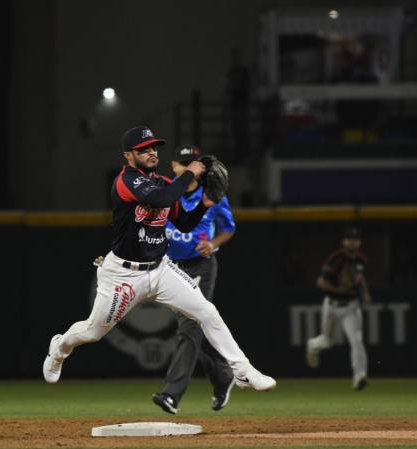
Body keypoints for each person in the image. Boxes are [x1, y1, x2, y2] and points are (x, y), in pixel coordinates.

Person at [43, 126, 276, 393]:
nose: (152, 152)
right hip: (124, 275)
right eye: (144, 149)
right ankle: (59, 348)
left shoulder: (164, 182)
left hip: (160, 268)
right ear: (128, 155)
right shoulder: (127, 181)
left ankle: (243, 371)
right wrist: (191, 173)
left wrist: (204, 205)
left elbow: (184, 223)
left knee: (207, 312)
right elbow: (160, 198)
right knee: (92, 332)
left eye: (154, 147)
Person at [151, 144, 236, 415]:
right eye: (183, 163)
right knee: (194, 329)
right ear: (174, 166)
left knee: (189, 327)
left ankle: (171, 395)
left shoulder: (212, 193)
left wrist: (213, 243)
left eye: (193, 163)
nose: (189, 168)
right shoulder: (167, 192)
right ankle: (223, 375)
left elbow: (228, 229)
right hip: (171, 268)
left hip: (201, 266)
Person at [305, 226, 371, 390]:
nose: (352, 242)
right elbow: (321, 282)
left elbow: (360, 278)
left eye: (355, 239)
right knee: (328, 341)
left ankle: (359, 377)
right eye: (349, 239)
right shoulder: (336, 259)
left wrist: (365, 293)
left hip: (351, 306)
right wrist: (339, 290)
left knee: (356, 340)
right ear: (344, 242)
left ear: (360, 242)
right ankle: (313, 345)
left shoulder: (361, 259)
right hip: (332, 305)